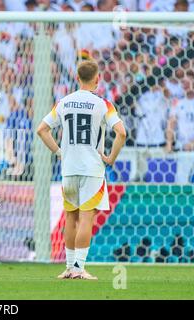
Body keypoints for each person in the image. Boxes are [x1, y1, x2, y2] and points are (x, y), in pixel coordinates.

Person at [37, 60, 126, 280]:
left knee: (71, 218)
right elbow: (122, 133)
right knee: (86, 219)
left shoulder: (64, 102)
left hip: (69, 169)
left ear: (77, 78)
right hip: (92, 170)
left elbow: (42, 130)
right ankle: (79, 269)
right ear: (97, 79)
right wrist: (111, 158)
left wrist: (59, 152)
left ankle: (69, 267)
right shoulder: (103, 103)